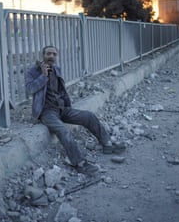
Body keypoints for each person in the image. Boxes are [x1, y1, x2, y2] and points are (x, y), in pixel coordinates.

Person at [25, 45, 125, 175]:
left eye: (54, 54)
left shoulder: (56, 69)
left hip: (61, 108)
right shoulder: (33, 71)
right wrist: (43, 76)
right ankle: (80, 163)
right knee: (64, 131)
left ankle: (107, 144)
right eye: (48, 54)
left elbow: (60, 90)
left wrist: (65, 104)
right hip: (46, 112)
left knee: (89, 116)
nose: (51, 56)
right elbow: (29, 90)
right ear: (42, 55)